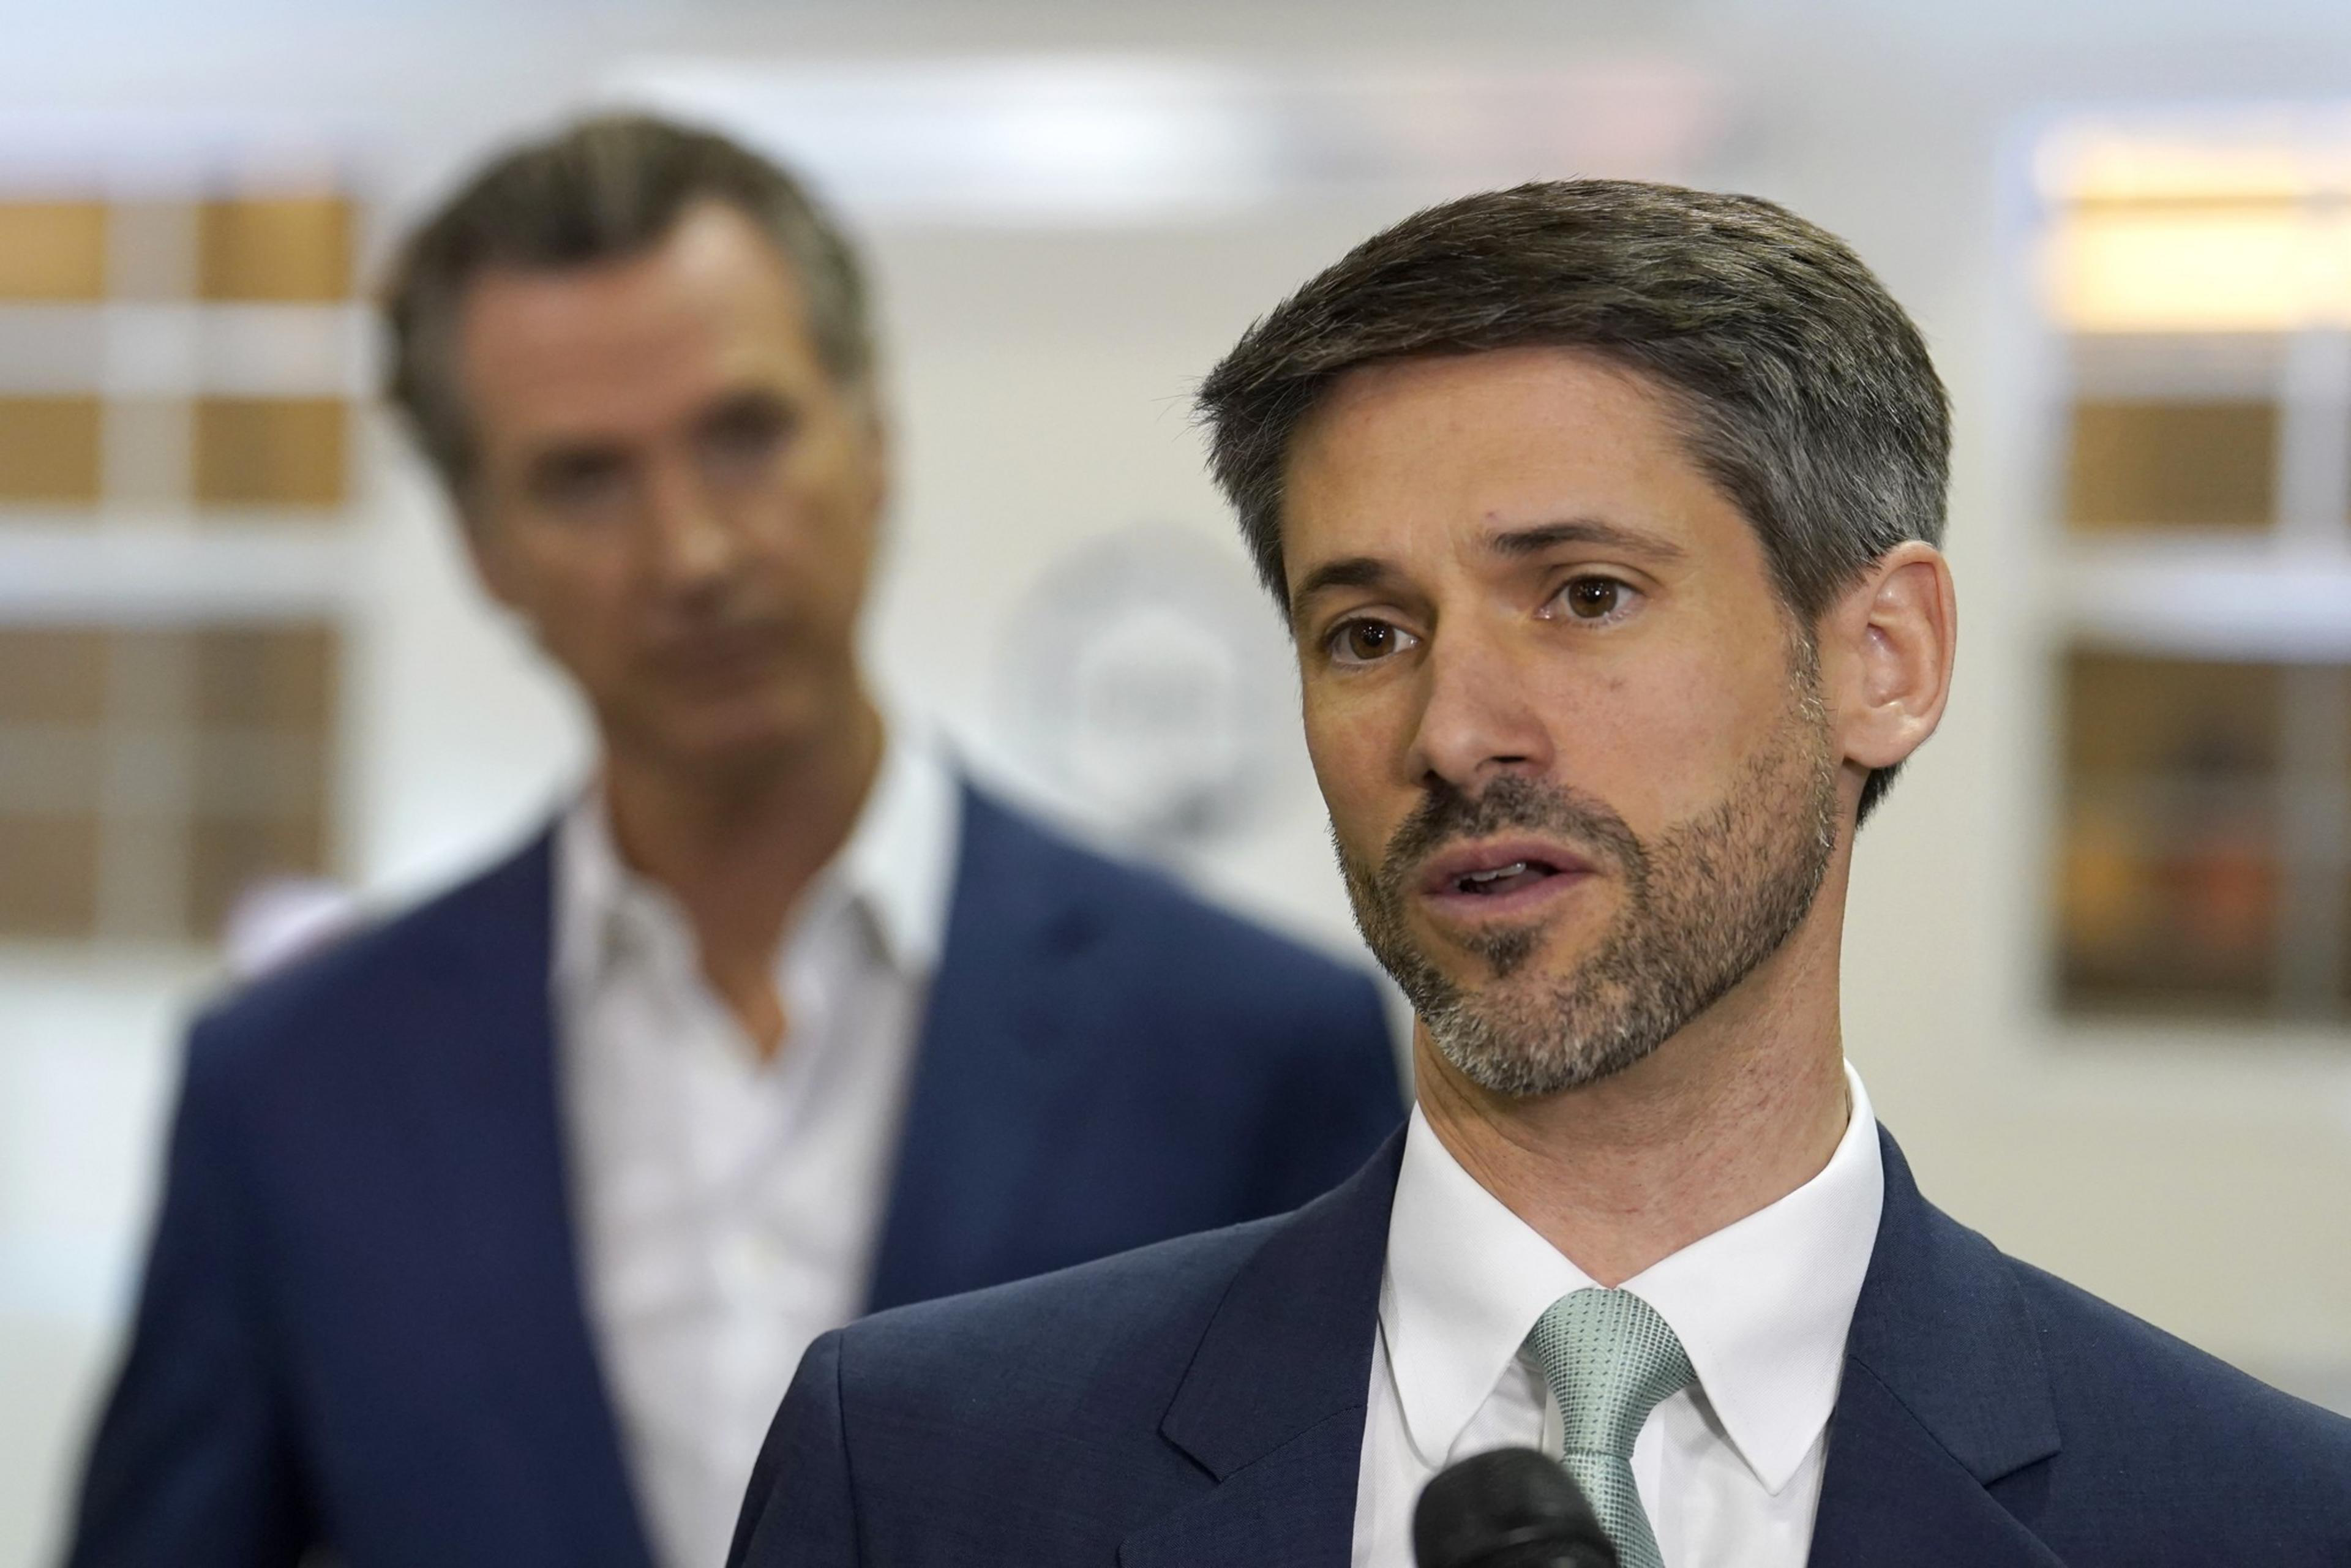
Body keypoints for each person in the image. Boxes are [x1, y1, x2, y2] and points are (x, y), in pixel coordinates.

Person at [727, 180, 2351, 1568]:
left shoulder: (2262, 1521)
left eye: (1583, 596)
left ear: (1883, 657)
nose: (1455, 730)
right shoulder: (932, 1478)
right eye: (1366, 633)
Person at [66, 116, 1403, 1568]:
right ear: (479, 545)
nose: (693, 550)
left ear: (871, 438)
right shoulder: (293, 1087)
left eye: (745, 434)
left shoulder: (1245, 1041)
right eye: (584, 478)